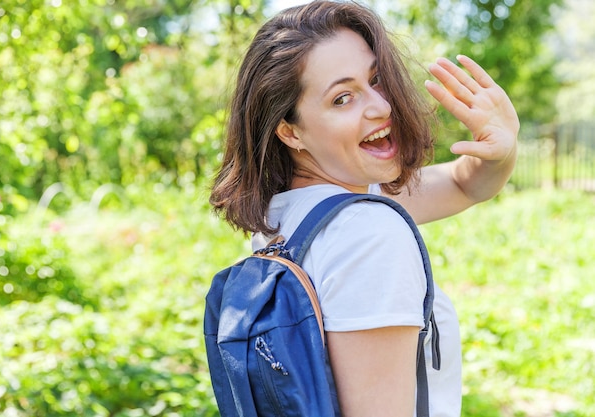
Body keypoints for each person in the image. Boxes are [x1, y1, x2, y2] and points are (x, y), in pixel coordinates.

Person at [209, 1, 519, 416]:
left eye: (376, 80)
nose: (381, 107)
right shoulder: (369, 233)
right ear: (290, 130)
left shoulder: (287, 218)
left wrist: (501, 150)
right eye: (342, 98)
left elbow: (464, 183)